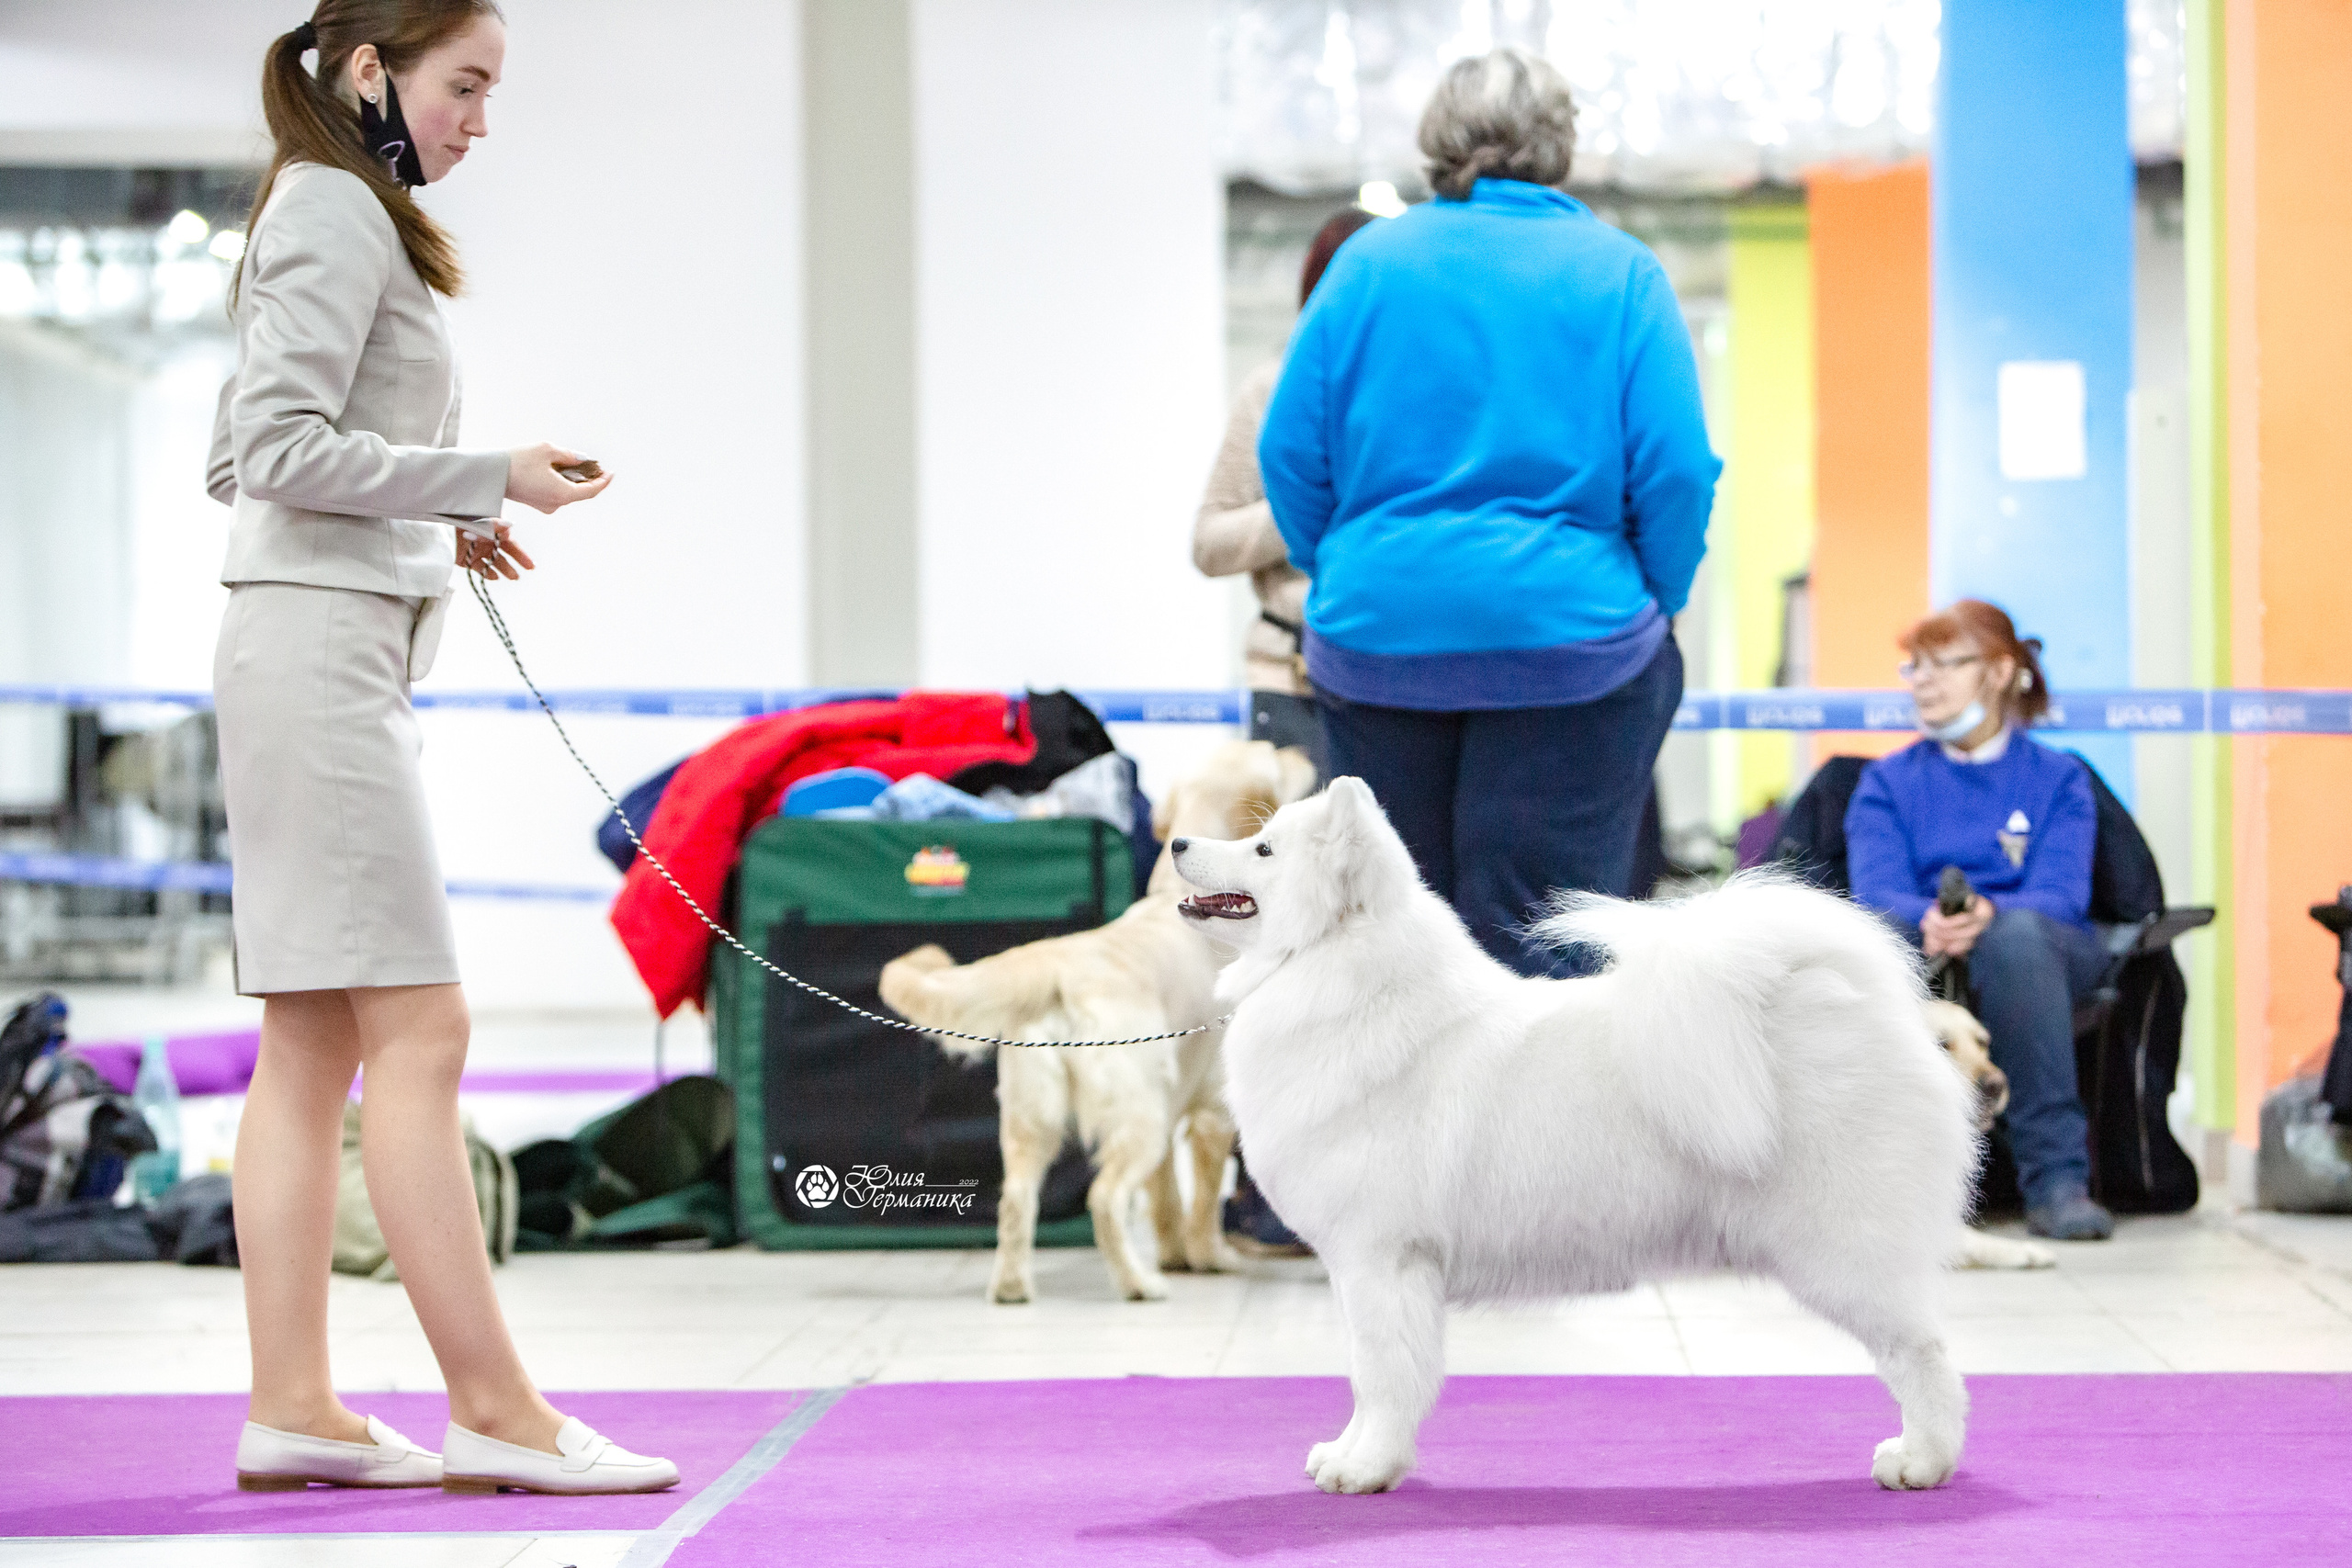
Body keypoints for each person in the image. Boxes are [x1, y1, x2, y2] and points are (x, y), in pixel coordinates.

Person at [206, 2, 676, 1493]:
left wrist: (449, 513)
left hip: (319, 652)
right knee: (425, 1032)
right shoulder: (339, 203)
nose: (483, 118)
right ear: (370, 70)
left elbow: (311, 450)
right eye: (464, 83)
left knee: (315, 1041)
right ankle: (499, 1409)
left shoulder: (344, 204)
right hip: (317, 667)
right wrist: (490, 474)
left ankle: (296, 1405)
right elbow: (259, 450)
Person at [1255, 48, 1719, 975]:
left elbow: (1288, 453)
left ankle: (1388, 1121)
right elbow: (1673, 473)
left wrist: (1344, 564)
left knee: (1384, 930)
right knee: (1544, 933)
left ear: (1438, 143)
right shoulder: (1619, 274)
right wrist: (1652, 595)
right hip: (1571, 647)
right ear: (1559, 147)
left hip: (1378, 645)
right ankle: (1540, 1122)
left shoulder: (1364, 268)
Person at [1844, 600, 2113, 1242]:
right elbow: (1876, 891)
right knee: (1872, 939)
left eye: (1945, 664)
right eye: (1916, 666)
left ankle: (2056, 1180)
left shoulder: (2058, 777)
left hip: (2037, 941)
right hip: (1925, 936)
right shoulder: (1886, 781)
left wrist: (1991, 914)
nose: (1924, 681)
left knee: (2017, 941)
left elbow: (2063, 893)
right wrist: (1928, 919)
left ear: (1997, 672)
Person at [1193, 207, 1378, 779]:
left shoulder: (1418, 398)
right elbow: (1209, 543)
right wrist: (1302, 506)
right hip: (1291, 681)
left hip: (1396, 674)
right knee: (1292, 864)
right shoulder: (1270, 391)